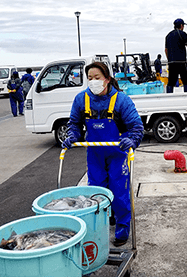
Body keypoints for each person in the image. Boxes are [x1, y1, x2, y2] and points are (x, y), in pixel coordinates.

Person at [62, 62, 144, 247]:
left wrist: (132, 139)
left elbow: (136, 126)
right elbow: (74, 123)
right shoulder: (81, 99)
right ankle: (102, 223)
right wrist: (73, 136)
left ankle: (123, 227)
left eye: (97, 78)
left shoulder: (121, 100)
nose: (93, 82)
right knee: (97, 192)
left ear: (107, 79)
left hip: (117, 152)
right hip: (95, 154)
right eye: (89, 78)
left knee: (119, 191)